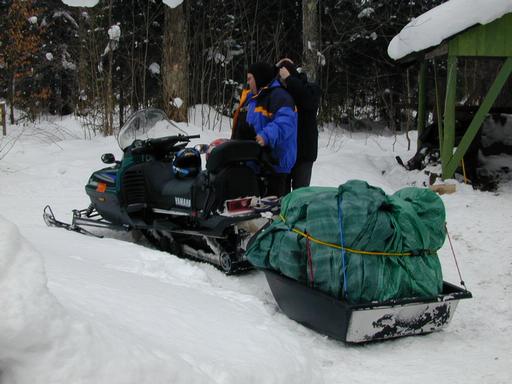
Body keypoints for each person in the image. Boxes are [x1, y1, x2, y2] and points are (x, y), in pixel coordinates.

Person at [231, 62, 297, 197]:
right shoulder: (254, 98)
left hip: (275, 164)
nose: (248, 82)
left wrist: (265, 135)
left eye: (250, 78)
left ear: (259, 78)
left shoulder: (279, 96)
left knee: (274, 210)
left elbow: (285, 122)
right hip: (258, 162)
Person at [276, 58, 321, 190]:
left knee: (300, 196)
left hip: (304, 153)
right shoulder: (281, 93)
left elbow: (307, 99)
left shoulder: (311, 88)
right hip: (285, 152)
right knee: (281, 195)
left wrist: (289, 80)